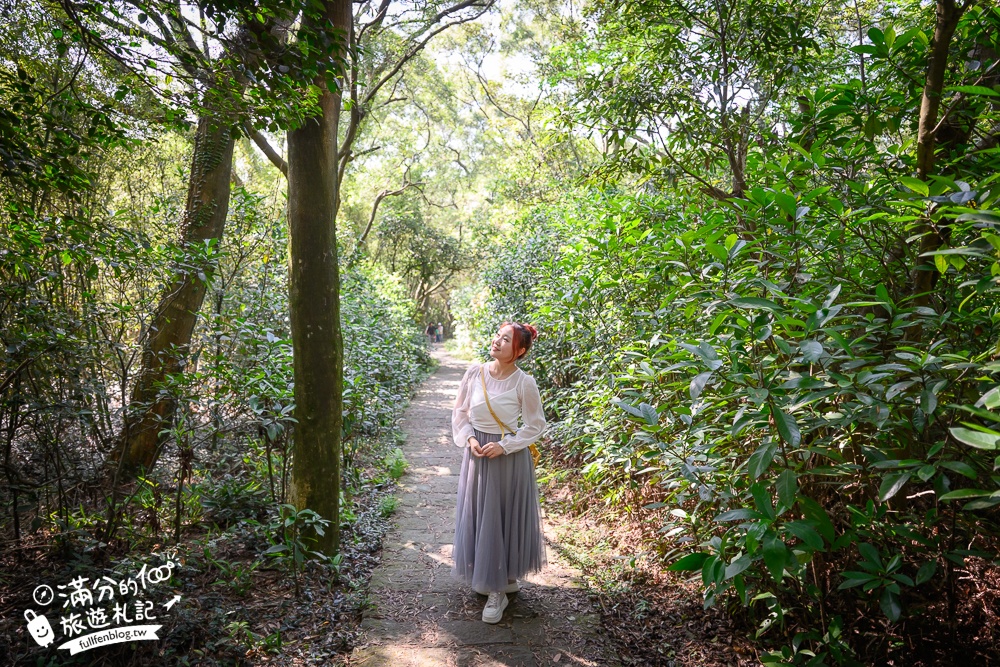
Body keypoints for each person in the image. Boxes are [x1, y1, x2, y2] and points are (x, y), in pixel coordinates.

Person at [451, 322, 547, 624]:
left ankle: (498, 591)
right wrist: (469, 439)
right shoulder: (474, 374)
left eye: (506, 340)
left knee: (503, 516)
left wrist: (505, 447)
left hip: (508, 459)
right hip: (477, 456)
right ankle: (494, 575)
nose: (497, 342)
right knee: (481, 515)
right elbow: (460, 413)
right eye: (498, 336)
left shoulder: (524, 382)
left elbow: (535, 425)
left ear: (519, 350)